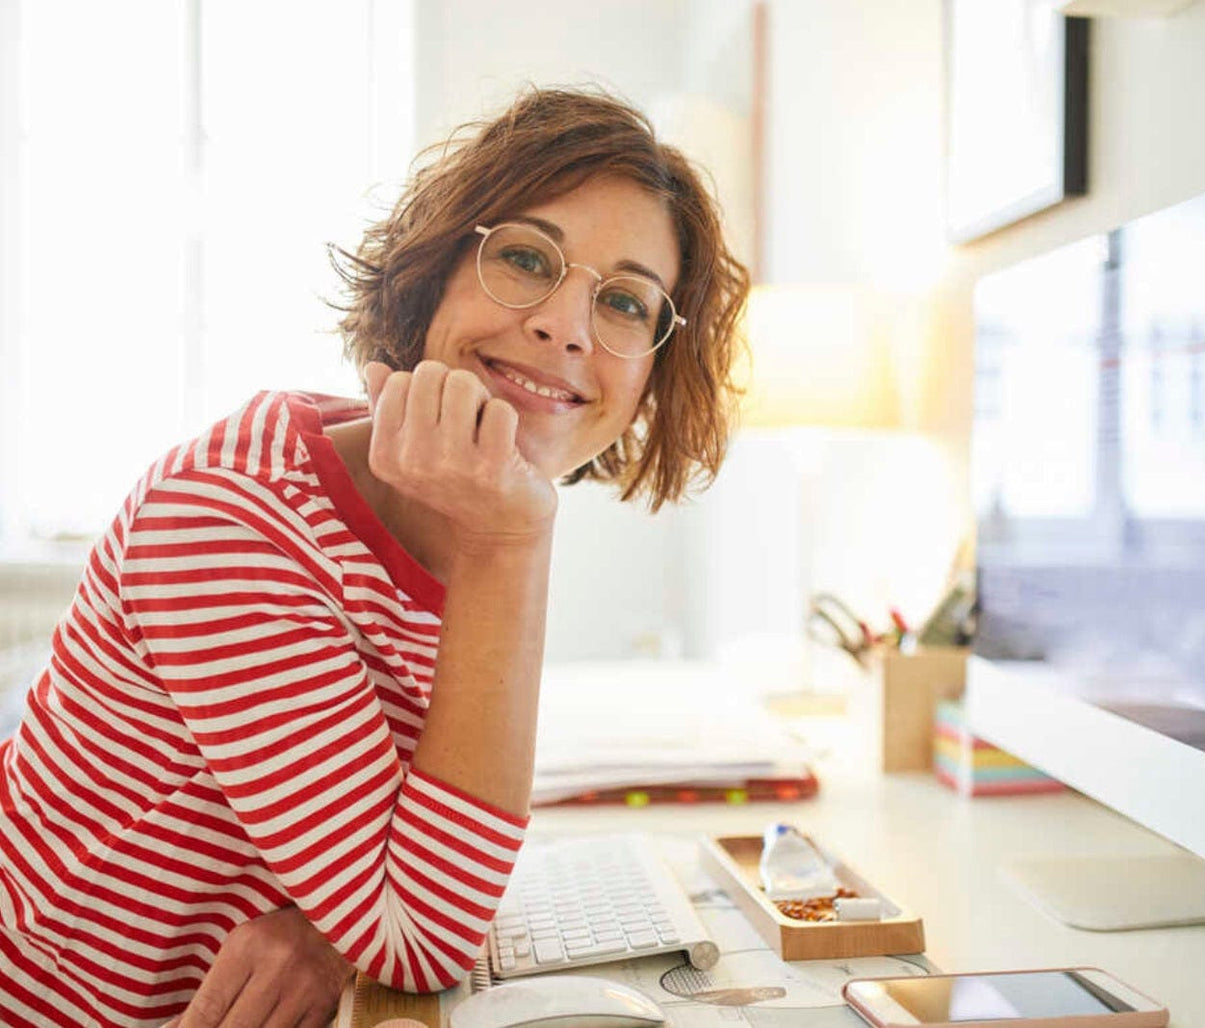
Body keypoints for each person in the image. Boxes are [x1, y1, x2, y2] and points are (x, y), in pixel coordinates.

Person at [0, 86, 748, 1027]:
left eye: (627, 303)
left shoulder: (457, 509)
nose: (567, 327)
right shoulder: (232, 519)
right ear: (432, 272)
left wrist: (329, 926)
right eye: (524, 256)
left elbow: (419, 866)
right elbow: (421, 936)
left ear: (648, 376)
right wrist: (512, 544)